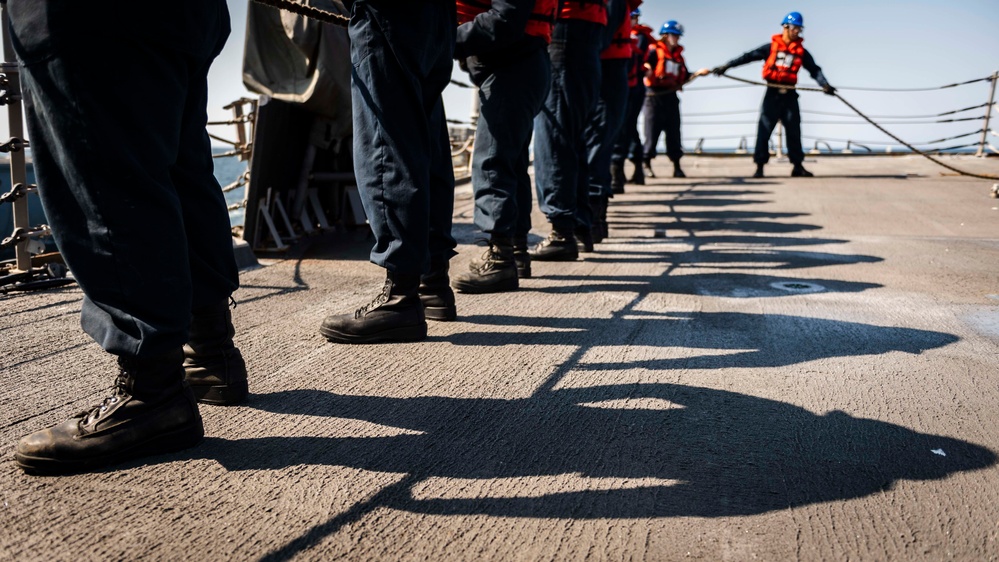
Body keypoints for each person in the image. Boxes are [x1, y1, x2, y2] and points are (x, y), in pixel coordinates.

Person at [10, 0, 247, 475]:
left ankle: (152, 394)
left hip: (88, 14)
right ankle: (210, 352)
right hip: (183, 17)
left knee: (102, 169)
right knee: (180, 165)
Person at [319, 0, 459, 342]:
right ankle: (433, 281)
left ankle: (400, 298)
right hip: (438, 17)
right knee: (426, 140)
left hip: (388, 11)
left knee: (386, 143)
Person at [450, 0, 557, 293]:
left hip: (513, 68)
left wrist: (443, 40)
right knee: (512, 162)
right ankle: (516, 251)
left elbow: (504, 21)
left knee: (492, 161)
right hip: (522, 65)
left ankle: (500, 262)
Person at [711, 11, 836, 178]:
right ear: (785, 27)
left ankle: (797, 166)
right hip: (772, 94)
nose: (797, 32)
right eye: (795, 28)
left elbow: (814, 70)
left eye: (799, 29)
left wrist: (825, 84)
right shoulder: (770, 48)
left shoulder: (801, 52)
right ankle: (760, 167)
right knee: (764, 130)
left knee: (794, 130)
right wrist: (726, 66)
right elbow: (747, 57)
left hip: (790, 95)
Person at [528, 0, 608, 262]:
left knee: (554, 139)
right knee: (573, 140)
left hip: (564, 33)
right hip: (587, 38)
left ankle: (562, 233)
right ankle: (579, 227)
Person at [584, 0, 640, 244]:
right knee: (597, 146)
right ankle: (594, 222)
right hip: (610, 71)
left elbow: (601, 39)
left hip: (602, 69)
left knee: (596, 145)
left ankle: (594, 222)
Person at [642, 20, 707, 179]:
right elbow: (643, 65)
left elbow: (684, 76)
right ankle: (646, 164)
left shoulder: (678, 57)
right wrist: (646, 69)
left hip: (671, 97)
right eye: (674, 35)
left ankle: (677, 166)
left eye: (678, 36)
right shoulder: (653, 51)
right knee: (652, 133)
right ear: (665, 35)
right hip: (654, 96)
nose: (677, 38)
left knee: (674, 133)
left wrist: (697, 73)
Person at [611, 8, 656, 191]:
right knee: (627, 129)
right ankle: (632, 171)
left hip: (632, 88)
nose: (632, 21)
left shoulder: (638, 37)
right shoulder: (633, 37)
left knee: (623, 129)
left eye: (634, 18)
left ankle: (618, 175)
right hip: (629, 86)